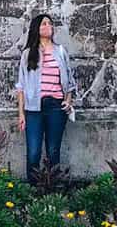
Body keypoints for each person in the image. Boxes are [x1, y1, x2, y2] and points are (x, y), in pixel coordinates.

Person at [14, 13, 76, 184]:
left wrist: (68, 101)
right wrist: (21, 114)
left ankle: (52, 190)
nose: (48, 26)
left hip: (56, 107)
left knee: (53, 151)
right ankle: (34, 191)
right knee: (33, 152)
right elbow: (21, 86)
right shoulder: (28, 54)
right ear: (36, 29)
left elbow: (70, 81)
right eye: (43, 24)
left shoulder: (61, 51)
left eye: (50, 23)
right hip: (33, 109)